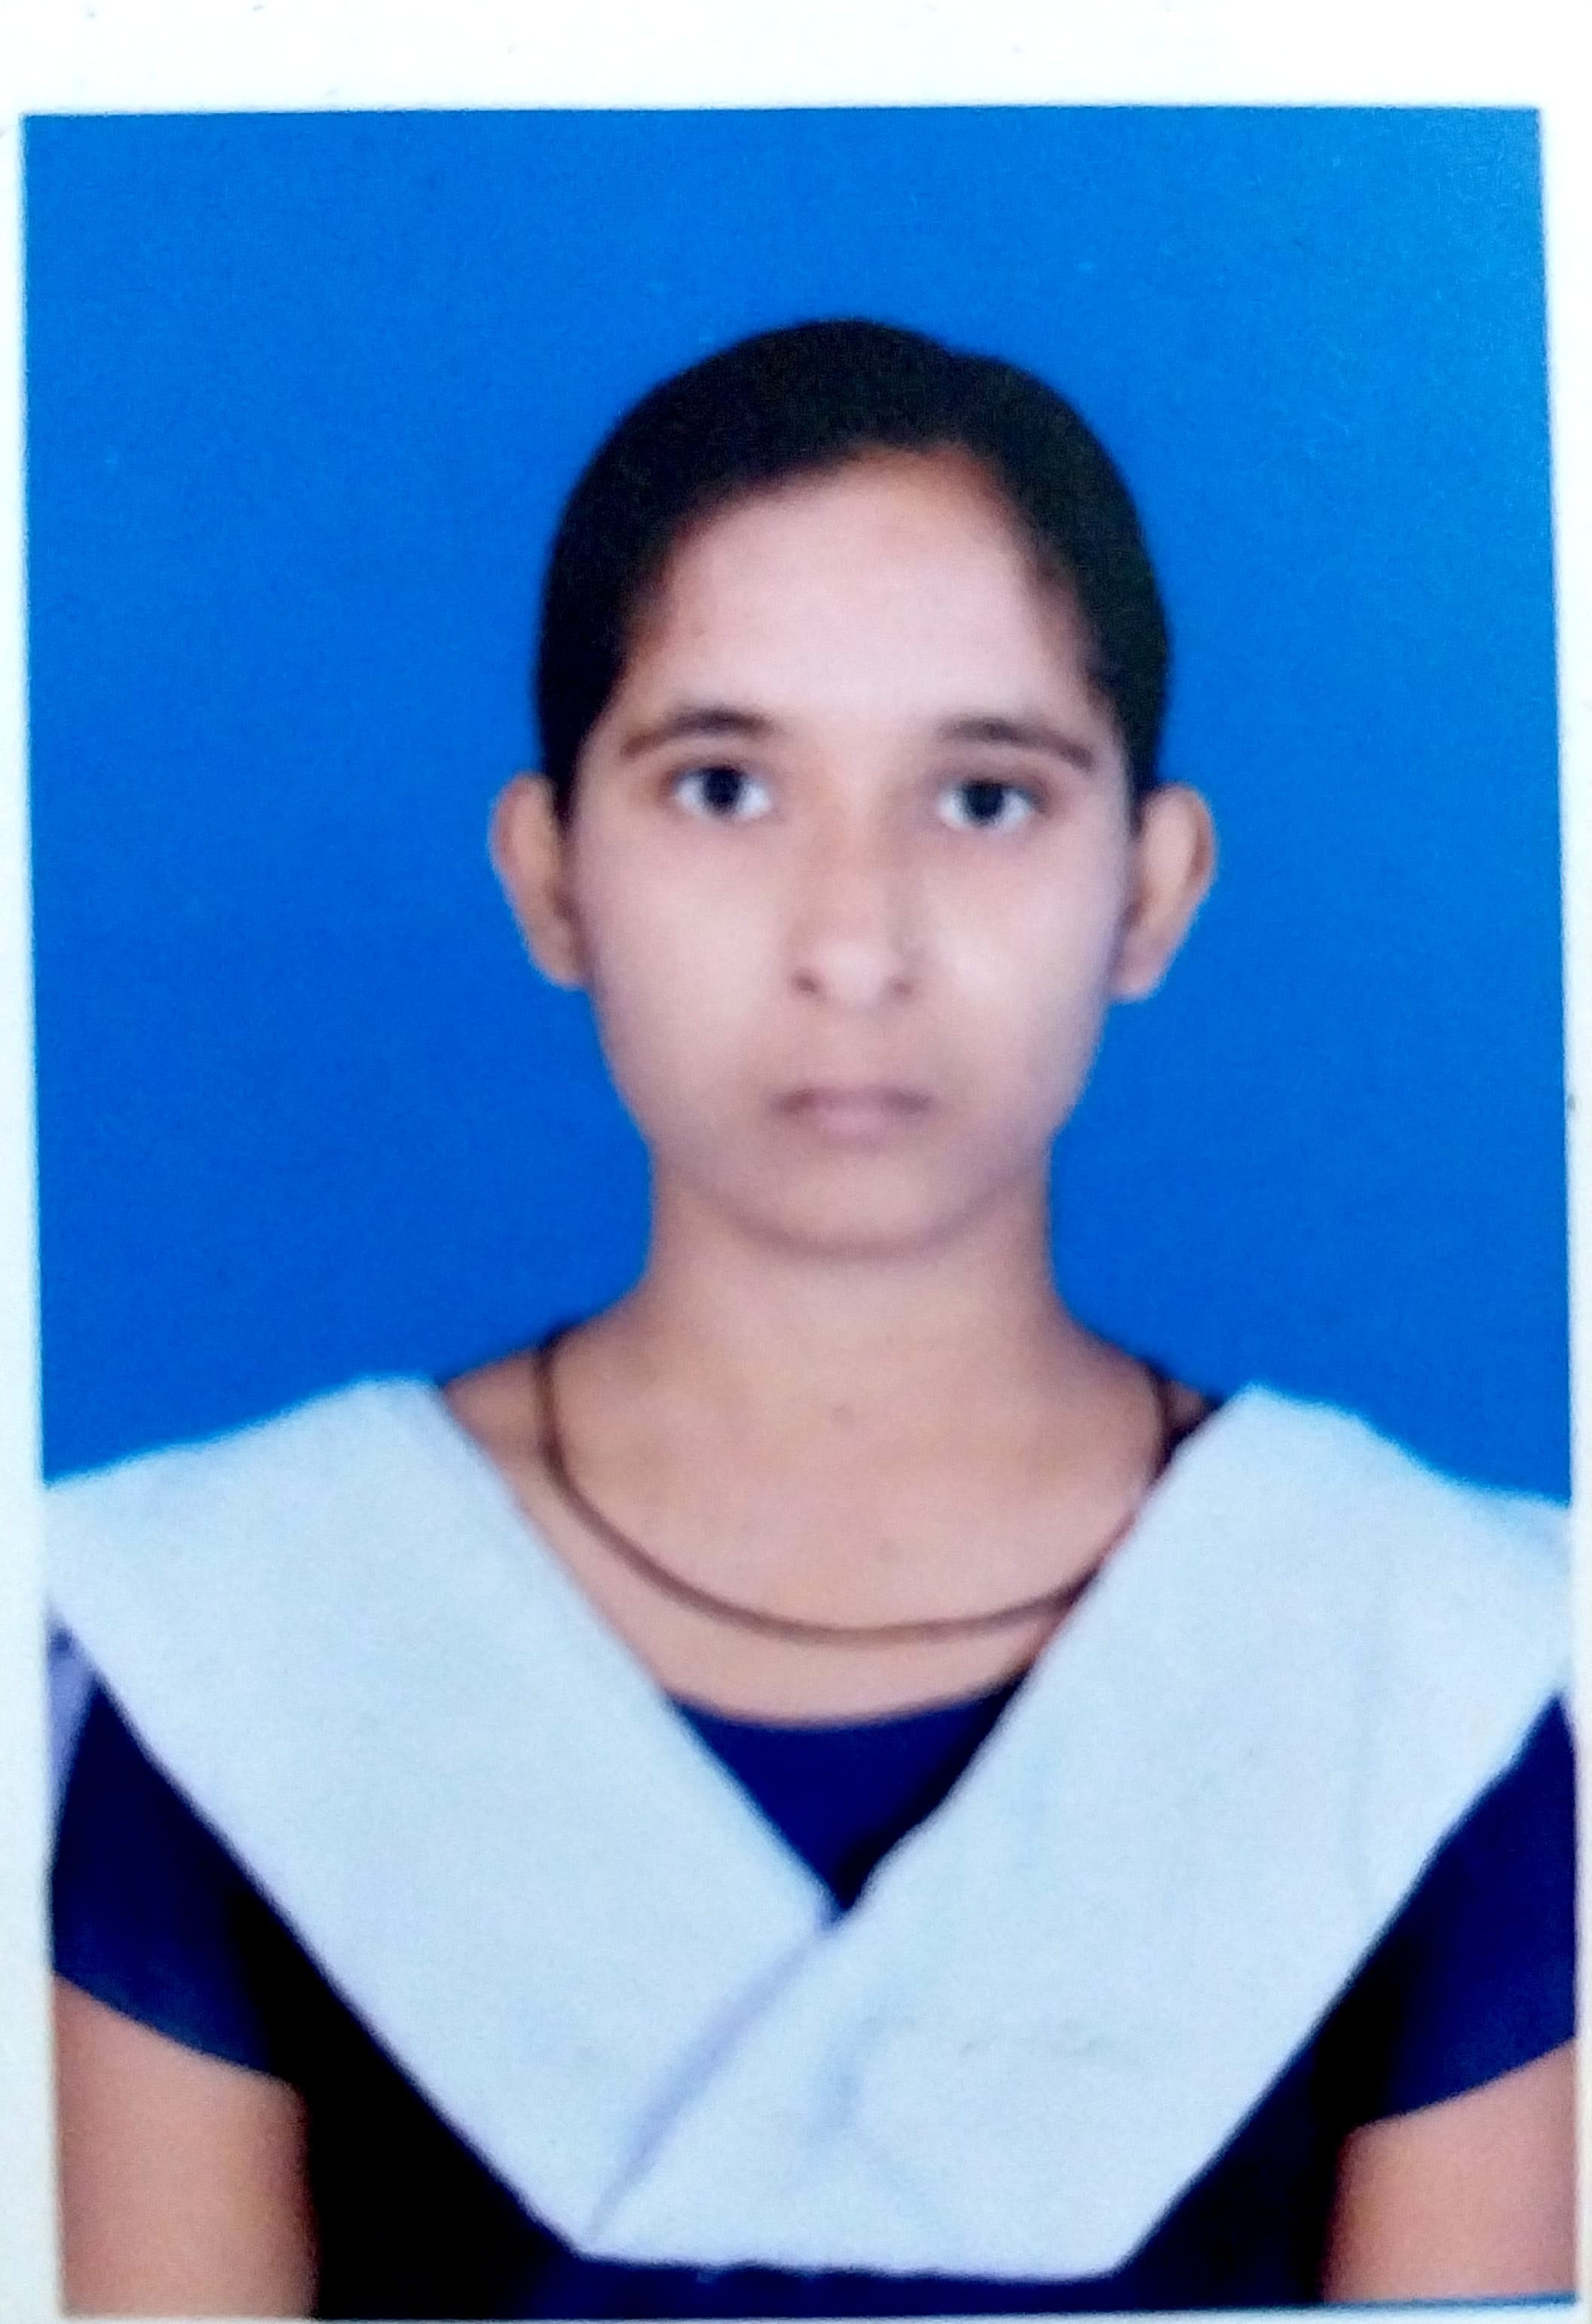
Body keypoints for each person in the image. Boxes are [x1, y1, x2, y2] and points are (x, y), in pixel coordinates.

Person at [47, 320, 1574, 2318]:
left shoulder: (1419, 1665)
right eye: (723, 785)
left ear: (1154, 885)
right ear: (550, 874)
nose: (854, 942)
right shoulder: (243, 1638)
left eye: (987, 800)